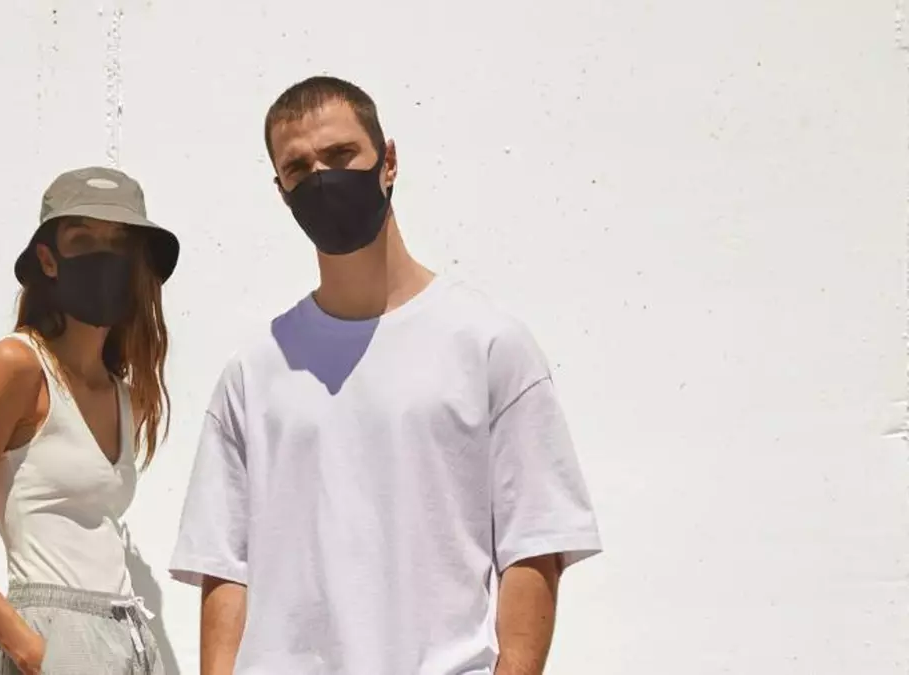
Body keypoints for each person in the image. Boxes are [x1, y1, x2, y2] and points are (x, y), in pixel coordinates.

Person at [169, 75, 603, 675]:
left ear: (389, 161)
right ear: (281, 190)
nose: (321, 177)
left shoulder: (486, 344)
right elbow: (224, 568)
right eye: (298, 168)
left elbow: (534, 545)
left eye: (341, 154)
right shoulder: (254, 370)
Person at [0, 166, 179, 675]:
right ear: (48, 259)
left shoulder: (126, 396)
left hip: (128, 639)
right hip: (52, 635)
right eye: (83, 239)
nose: (105, 256)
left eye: (119, 242)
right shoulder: (18, 365)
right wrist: (32, 650)